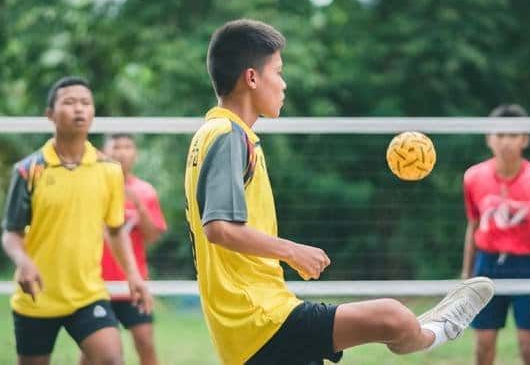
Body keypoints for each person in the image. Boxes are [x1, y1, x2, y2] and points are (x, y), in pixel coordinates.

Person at [184, 19, 495, 365]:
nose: (284, 84)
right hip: (257, 318)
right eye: (278, 72)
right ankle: (438, 330)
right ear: (252, 78)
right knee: (391, 317)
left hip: (252, 323)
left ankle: (420, 332)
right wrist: (292, 251)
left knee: (392, 320)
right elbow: (219, 228)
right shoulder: (228, 134)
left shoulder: (217, 134)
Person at [1, 77, 153, 365]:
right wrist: (24, 262)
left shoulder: (109, 170)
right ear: (50, 115)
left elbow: (116, 229)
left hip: (87, 295)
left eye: (85, 103)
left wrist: (133, 275)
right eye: (69, 102)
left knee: (111, 359)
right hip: (37, 298)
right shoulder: (28, 170)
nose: (79, 109)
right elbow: (11, 233)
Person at [461, 104, 530, 365]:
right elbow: (473, 227)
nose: (506, 142)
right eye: (499, 134)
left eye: (513, 135)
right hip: (487, 265)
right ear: (489, 138)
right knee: (483, 346)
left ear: (525, 139)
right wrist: (465, 276)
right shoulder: (473, 178)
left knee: (528, 346)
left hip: (529, 268)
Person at [80, 134, 167, 365]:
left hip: (132, 284)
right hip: (95, 284)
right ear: (104, 151)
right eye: (115, 146)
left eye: (127, 146)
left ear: (135, 153)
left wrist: (138, 205)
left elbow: (152, 237)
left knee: (145, 343)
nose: (121, 152)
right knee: (91, 353)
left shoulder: (145, 191)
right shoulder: (90, 186)